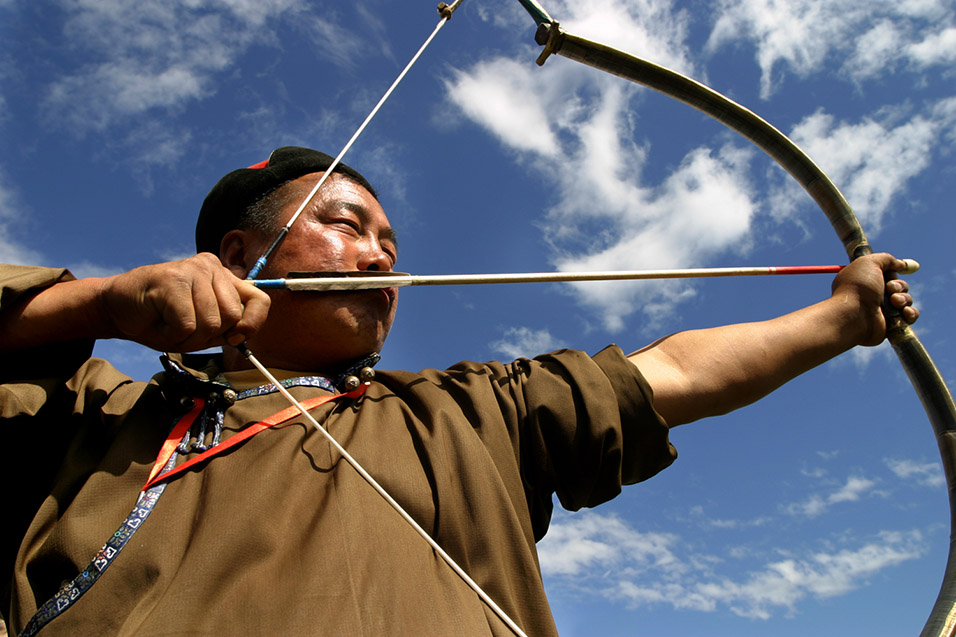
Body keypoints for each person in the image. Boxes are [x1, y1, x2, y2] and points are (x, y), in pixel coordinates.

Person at [0, 147, 918, 636]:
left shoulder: (464, 413)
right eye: (346, 226)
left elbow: (669, 374)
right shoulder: (97, 411)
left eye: (391, 247)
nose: (379, 259)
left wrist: (840, 317)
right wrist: (103, 302)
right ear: (239, 257)